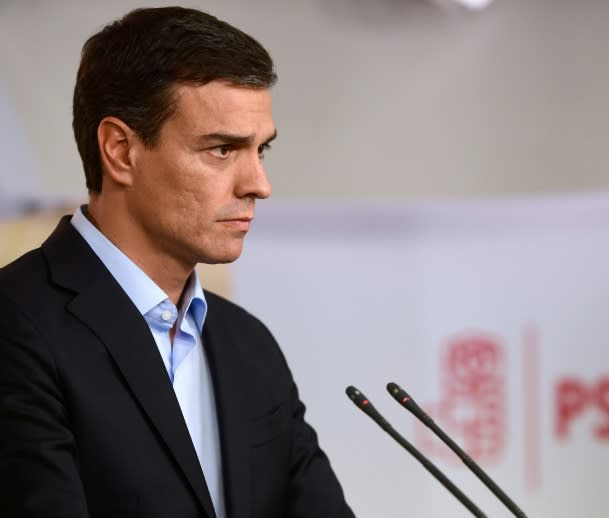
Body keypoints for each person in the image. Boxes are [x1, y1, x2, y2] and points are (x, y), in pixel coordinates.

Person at [0, 7, 355, 518]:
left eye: (261, 150)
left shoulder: (247, 344)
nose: (258, 183)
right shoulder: (16, 324)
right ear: (120, 150)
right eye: (222, 150)